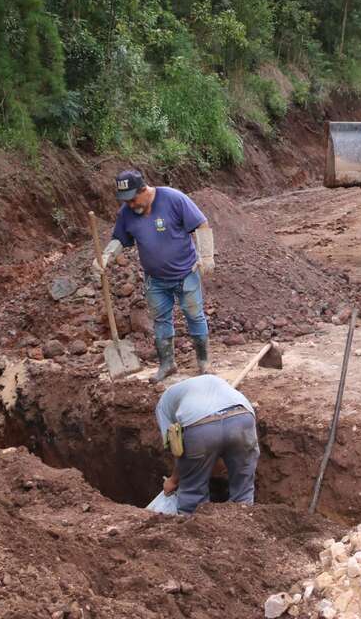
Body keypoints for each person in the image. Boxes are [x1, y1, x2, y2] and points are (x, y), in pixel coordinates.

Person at [94, 170, 215, 382]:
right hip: (155, 279)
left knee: (195, 315)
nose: (130, 205)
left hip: (186, 273)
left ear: (144, 189)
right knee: (160, 321)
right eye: (126, 201)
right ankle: (167, 365)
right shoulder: (127, 213)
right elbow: (120, 239)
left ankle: (204, 362)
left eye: (132, 199)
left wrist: (206, 256)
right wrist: (105, 256)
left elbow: (201, 223)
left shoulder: (173, 198)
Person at [155, 374, 259, 515]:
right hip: (243, 416)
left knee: (192, 492)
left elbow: (177, 449)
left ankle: (193, 523)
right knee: (243, 485)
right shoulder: (213, 381)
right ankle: (245, 516)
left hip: (200, 425)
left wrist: (173, 480)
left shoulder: (163, 405)